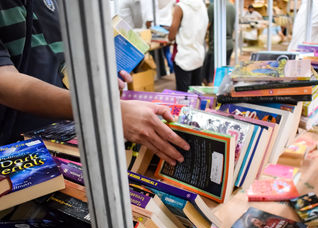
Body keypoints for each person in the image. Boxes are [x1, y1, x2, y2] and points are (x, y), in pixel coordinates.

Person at [0, 0, 189, 166]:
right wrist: (103, 110)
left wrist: (97, 83)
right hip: (17, 156)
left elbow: (58, 67)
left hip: (63, 143)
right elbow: (7, 83)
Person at [168, 0, 208, 91]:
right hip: (198, 56)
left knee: (184, 96)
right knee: (197, 93)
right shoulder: (202, 5)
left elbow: (171, 36)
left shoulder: (180, 7)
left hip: (184, 57)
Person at [203, 1, 236, 85]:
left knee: (211, 79)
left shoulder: (212, 7)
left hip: (216, 46)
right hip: (229, 44)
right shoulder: (232, 7)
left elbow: (206, 26)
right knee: (223, 77)